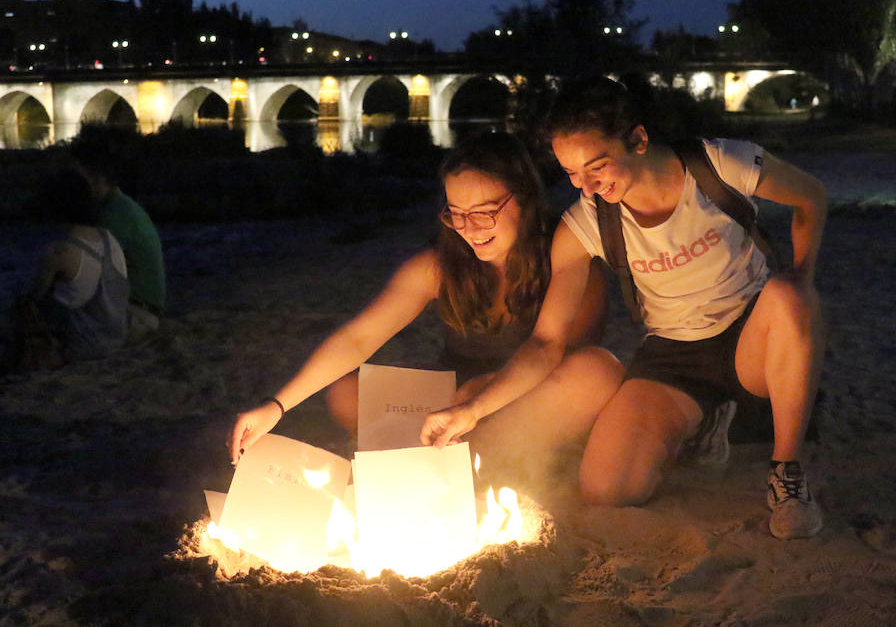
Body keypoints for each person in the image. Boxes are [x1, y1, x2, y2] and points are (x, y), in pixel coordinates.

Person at [421, 77, 828, 540]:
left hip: (750, 337)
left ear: (637, 139)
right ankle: (703, 422)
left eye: (597, 166)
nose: (587, 187)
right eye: (572, 175)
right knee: (607, 489)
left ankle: (787, 475)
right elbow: (546, 341)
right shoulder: (585, 225)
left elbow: (810, 196)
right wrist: (473, 411)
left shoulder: (719, 164)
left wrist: (803, 276)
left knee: (790, 296)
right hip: (673, 354)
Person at [229, 131, 624, 473]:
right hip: (452, 401)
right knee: (346, 392)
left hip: (528, 400)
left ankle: (468, 458)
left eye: (485, 214)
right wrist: (277, 406)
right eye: (456, 214)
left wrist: (480, 400)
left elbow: (553, 353)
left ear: (525, 200)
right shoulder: (440, 265)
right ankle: (452, 454)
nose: (469, 229)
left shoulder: (567, 256)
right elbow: (359, 338)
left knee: (597, 372)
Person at [12, 168, 130, 367]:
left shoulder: (59, 252)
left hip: (85, 346)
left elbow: (33, 296)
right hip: (116, 337)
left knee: (21, 306)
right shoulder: (109, 239)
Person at [71, 135, 166, 338]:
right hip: (143, 308)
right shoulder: (118, 207)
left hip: (138, 313)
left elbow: (86, 274)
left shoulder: (114, 216)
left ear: (95, 177)